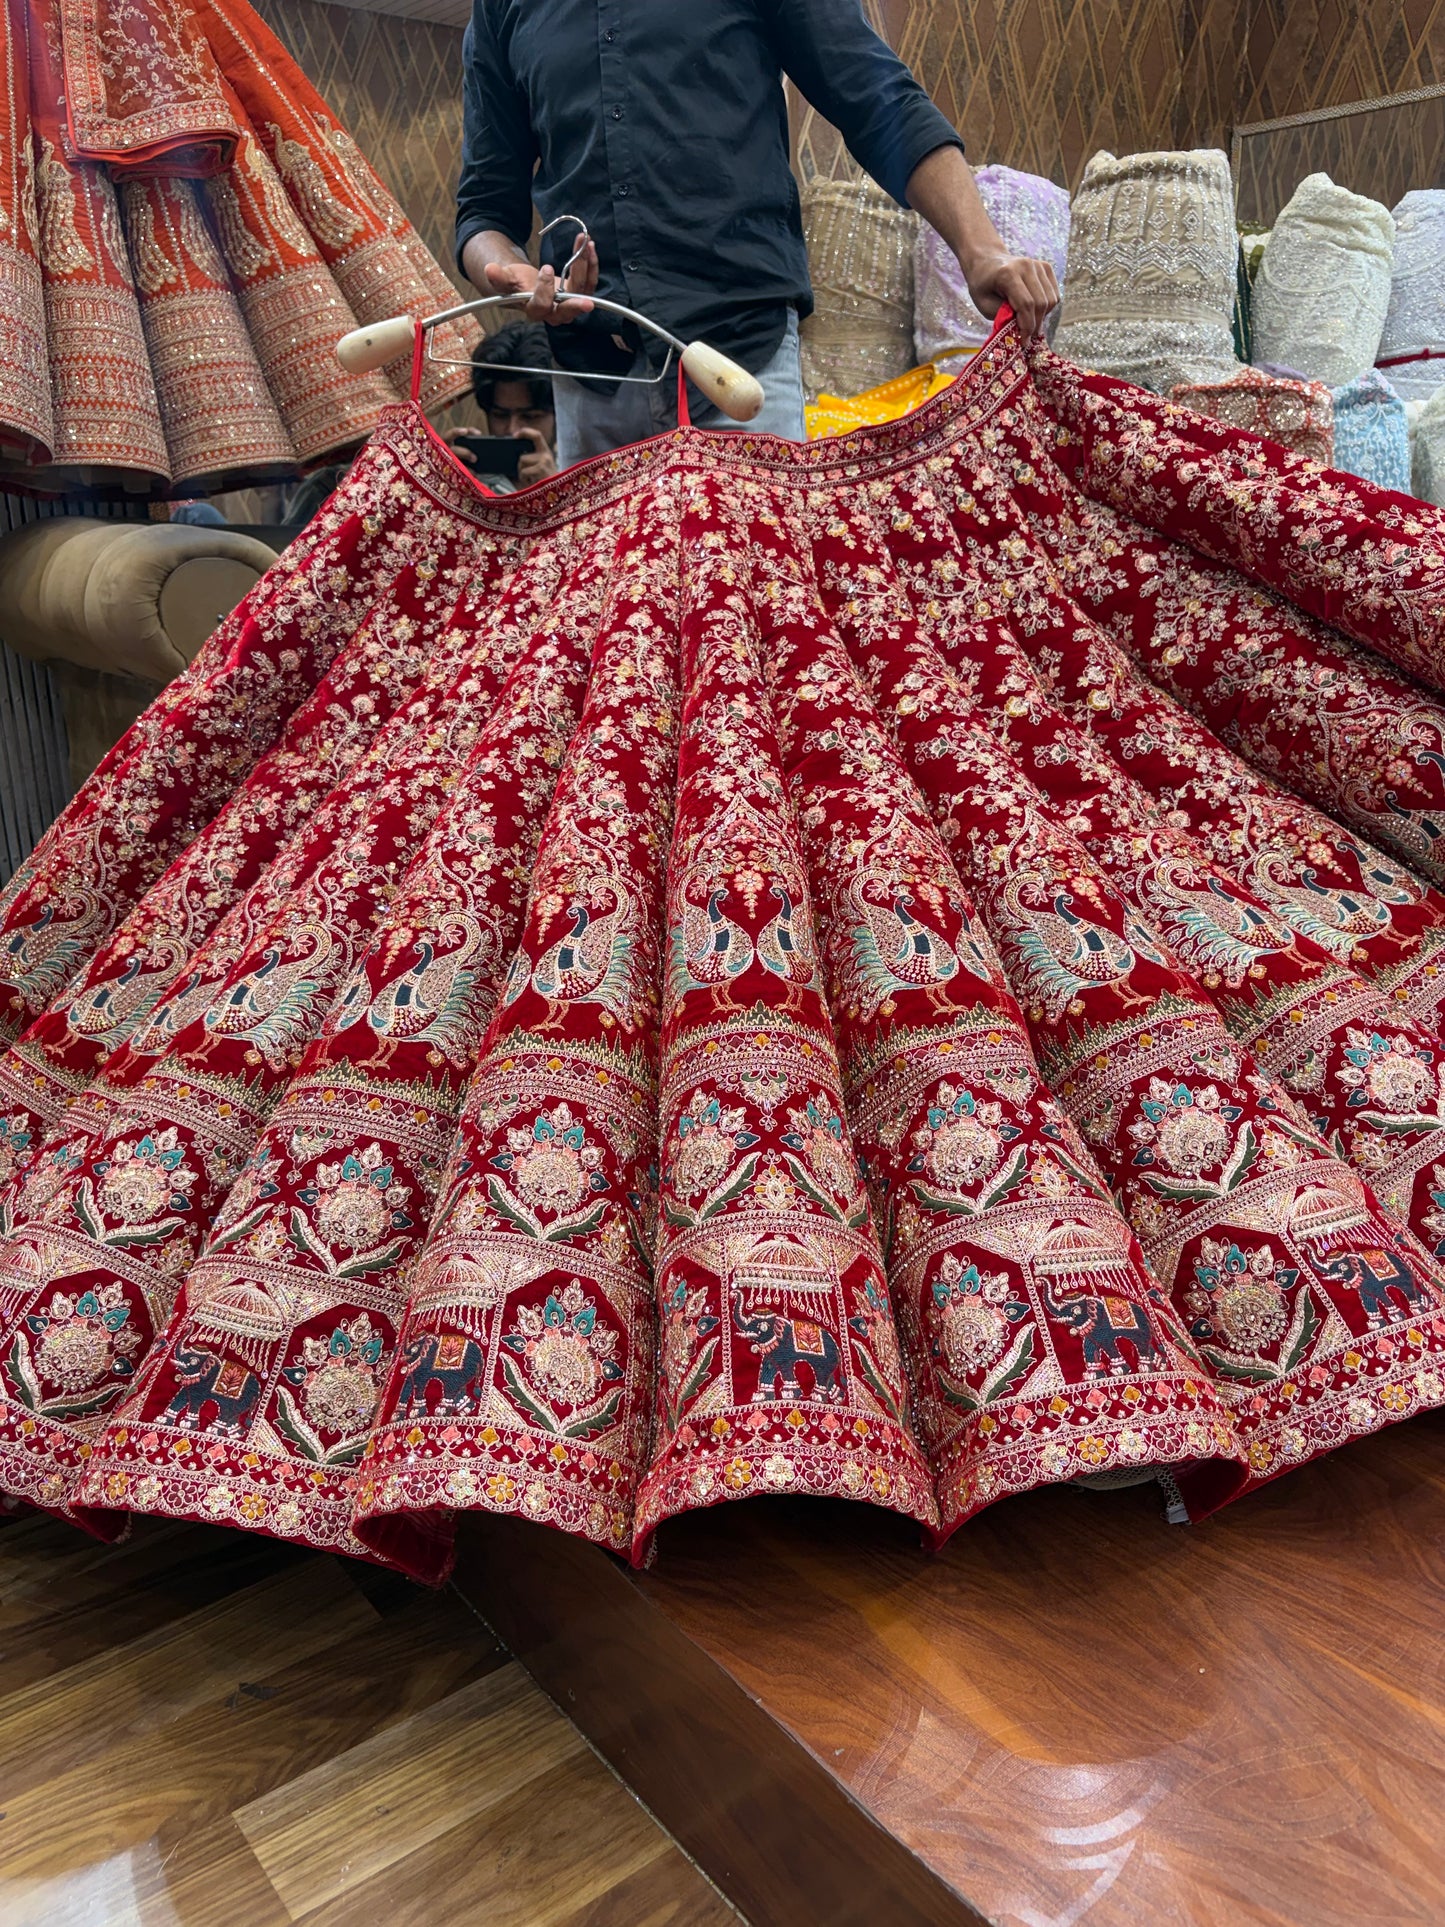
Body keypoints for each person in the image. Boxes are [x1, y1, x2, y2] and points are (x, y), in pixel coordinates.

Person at [457, 0, 1061, 466]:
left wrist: (981, 251)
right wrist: (508, 271)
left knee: (761, 610)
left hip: (739, 358)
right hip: (593, 378)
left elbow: (877, 97)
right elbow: (485, 208)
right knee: (610, 624)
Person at [459, 321, 559, 489]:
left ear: (560, 416)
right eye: (500, 415)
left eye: (530, 416)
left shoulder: (588, 479)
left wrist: (555, 493)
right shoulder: (469, 480)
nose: (512, 430)